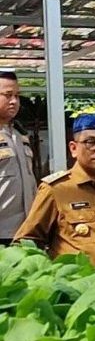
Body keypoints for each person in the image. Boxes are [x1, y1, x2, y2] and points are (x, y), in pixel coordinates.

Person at [14, 112, 95, 266]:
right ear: (73, 148)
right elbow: (27, 243)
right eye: (91, 142)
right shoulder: (57, 189)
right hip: (75, 283)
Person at [0, 71, 36, 246]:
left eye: (16, 96)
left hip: (24, 231)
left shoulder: (19, 135)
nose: (14, 101)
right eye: (7, 95)